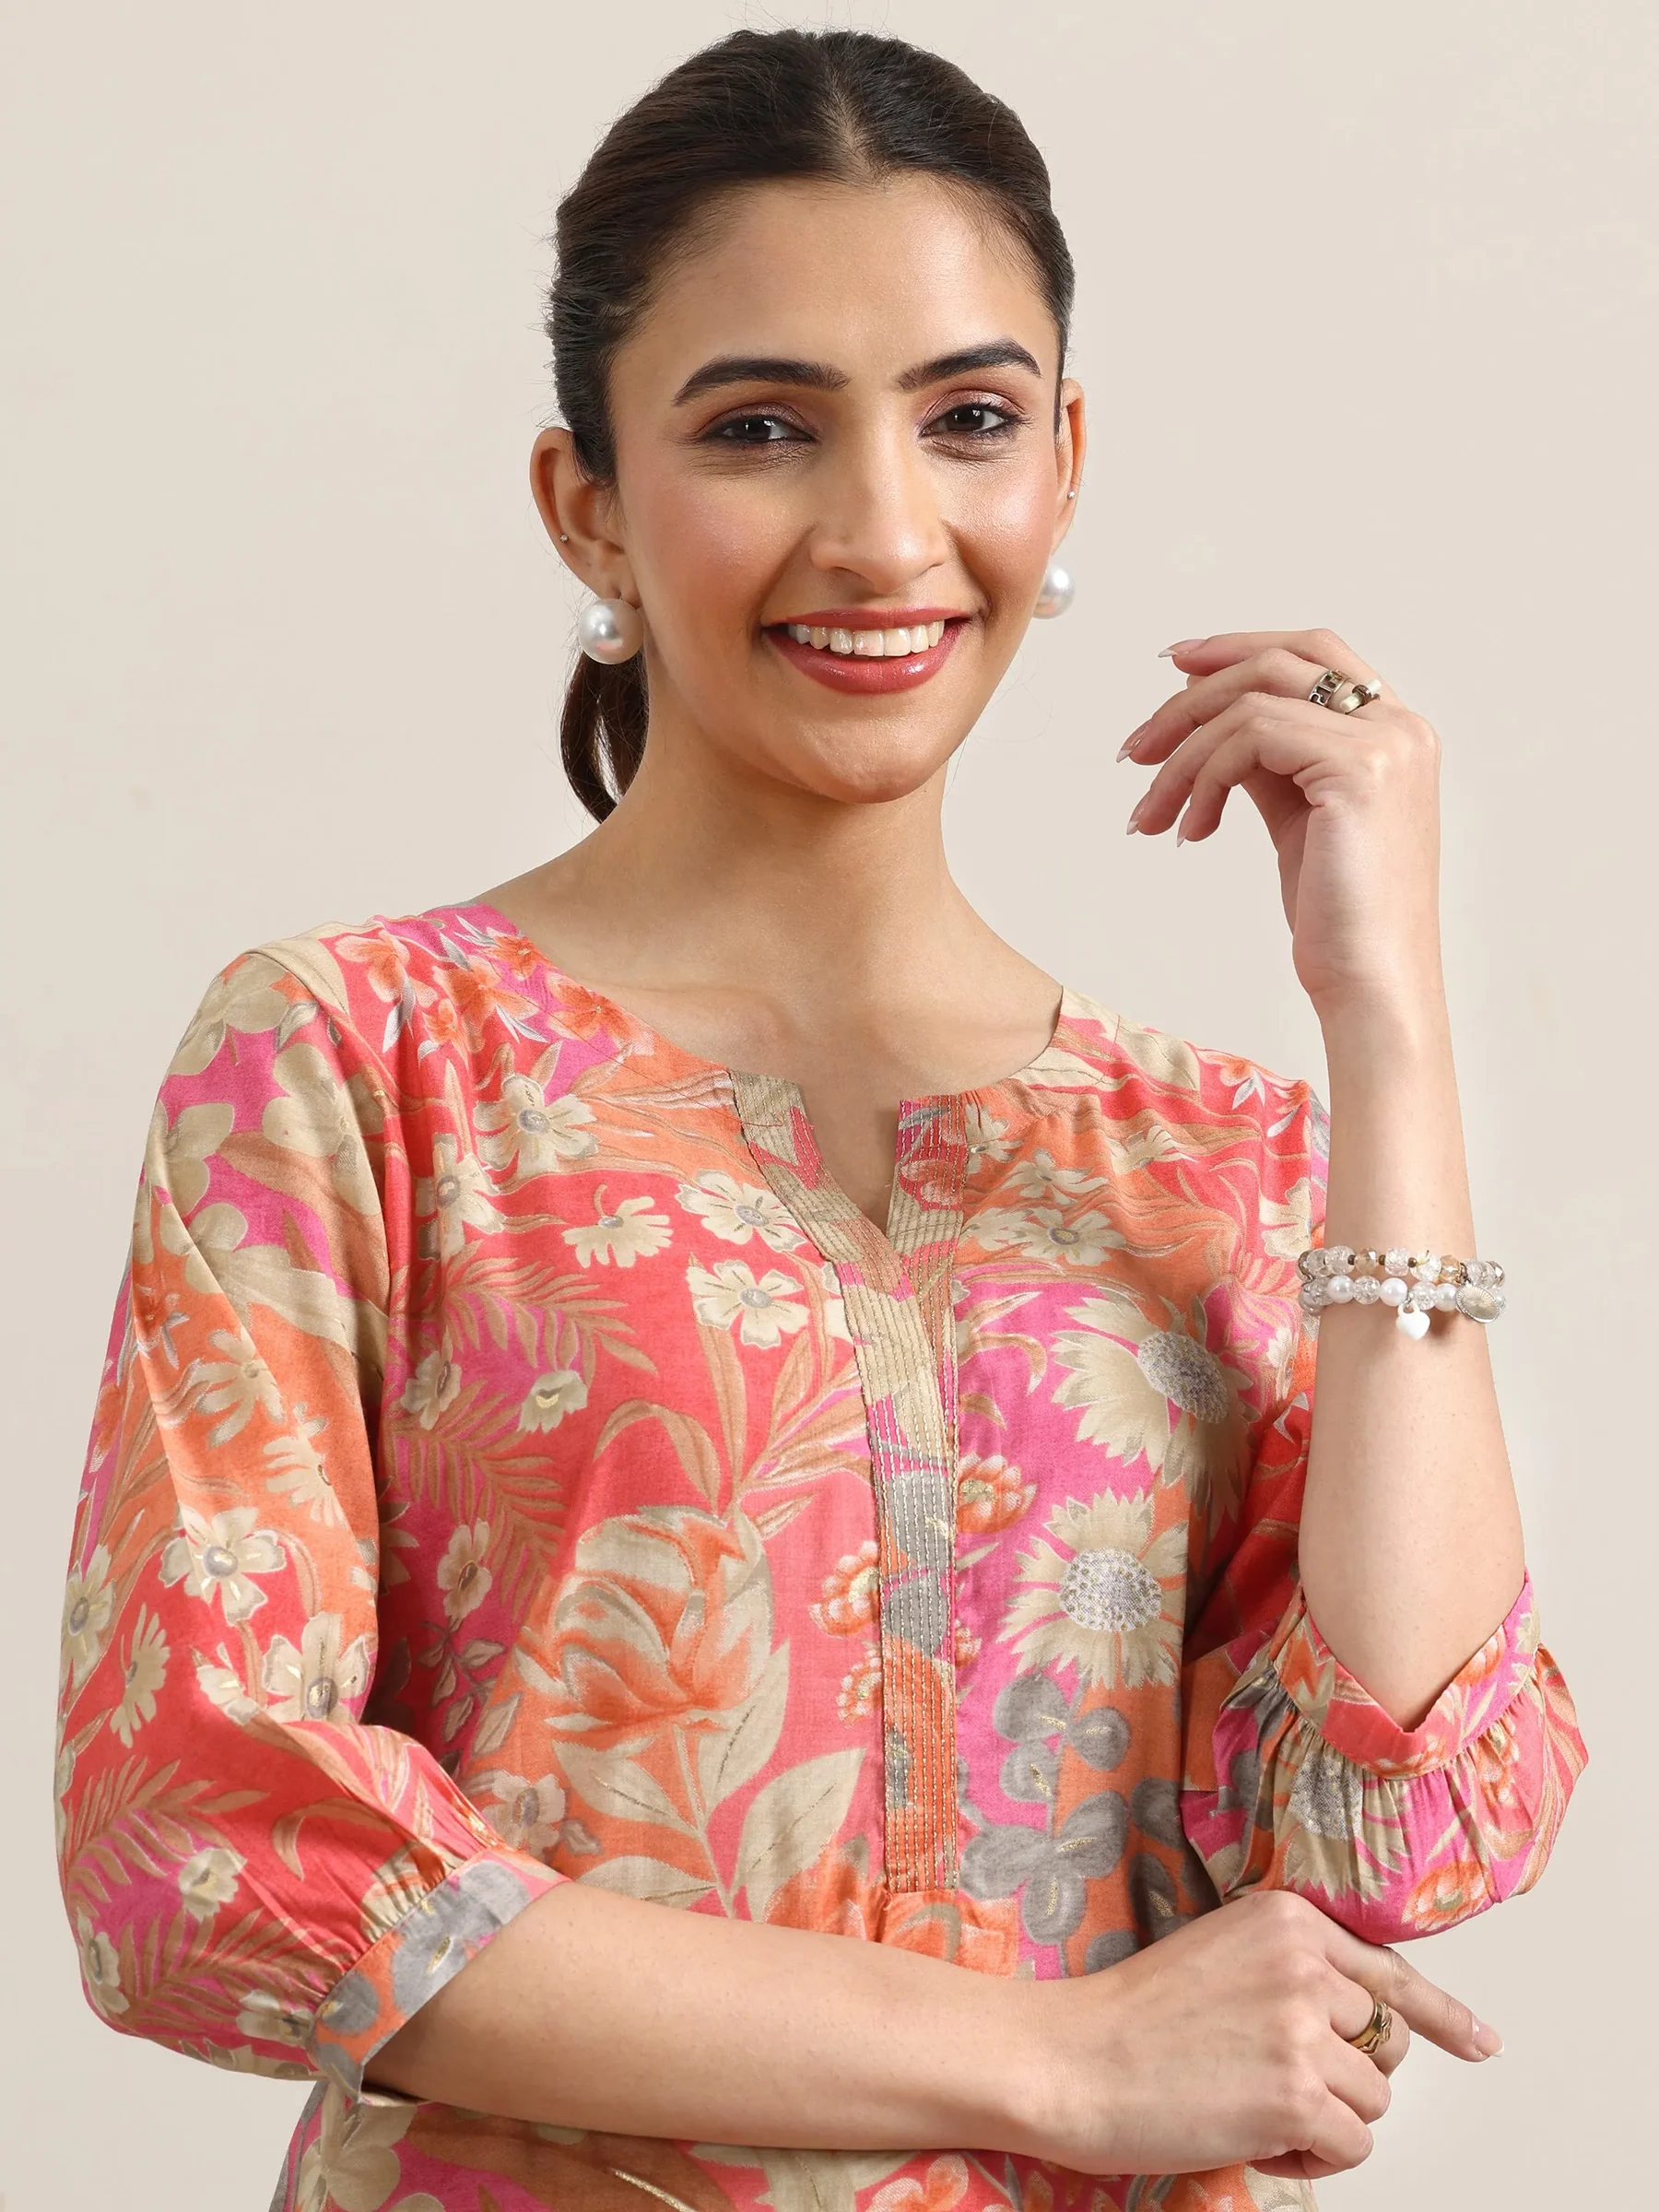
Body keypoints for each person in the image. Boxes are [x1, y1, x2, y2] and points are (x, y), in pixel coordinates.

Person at [54, 26, 1584, 2211]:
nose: (883, 533)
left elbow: (1392, 1815)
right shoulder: (365, 1060)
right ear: (587, 502)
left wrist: (1391, 1026)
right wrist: (1061, 2062)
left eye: (969, 420)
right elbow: (204, 1839)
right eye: (761, 427)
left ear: (1065, 460)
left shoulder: (1212, 1149)